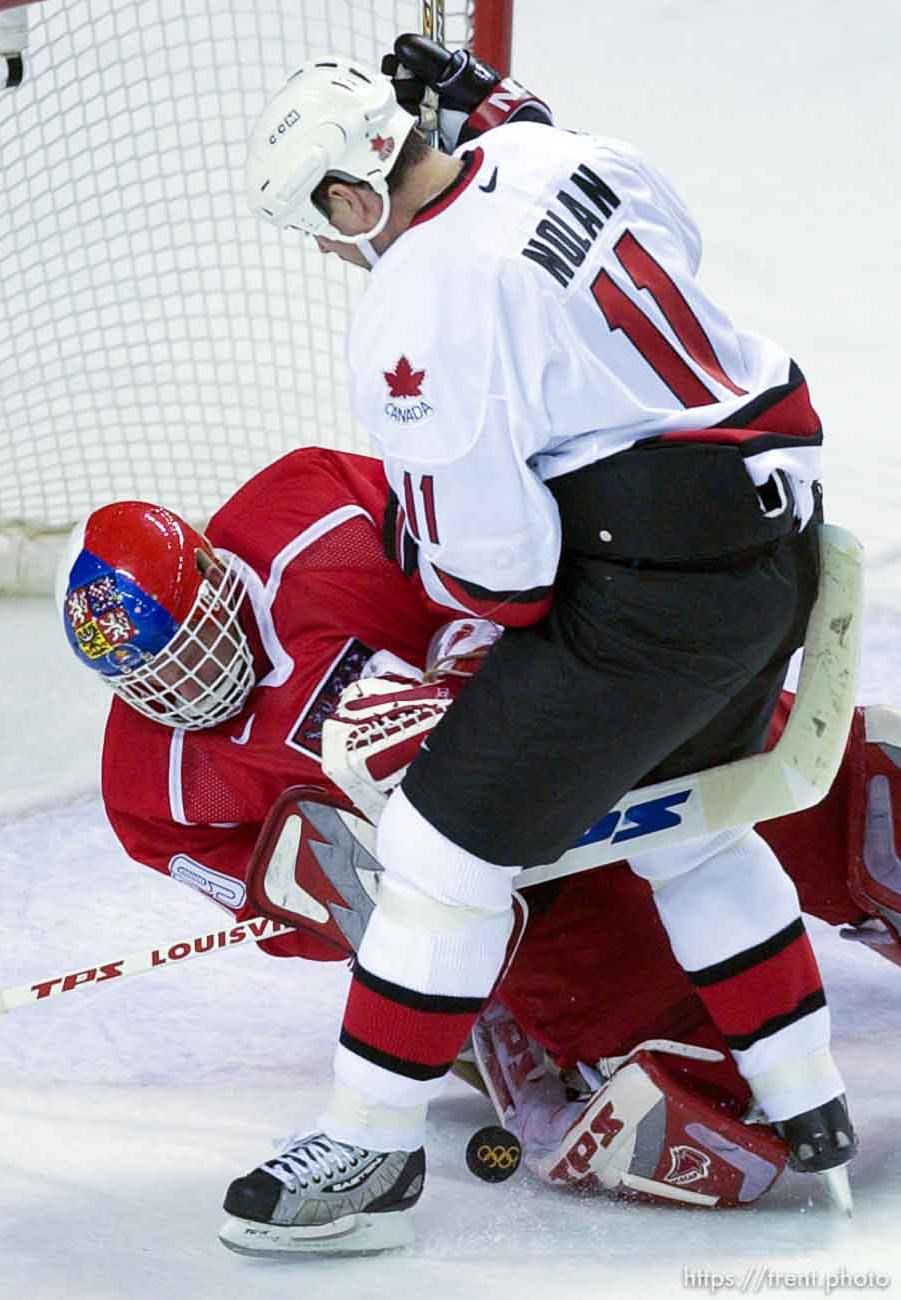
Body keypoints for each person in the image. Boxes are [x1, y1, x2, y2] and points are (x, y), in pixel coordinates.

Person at [236, 35, 859, 1247]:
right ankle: (810, 1103)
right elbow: (634, 216)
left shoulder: (412, 303)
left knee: (433, 851)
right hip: (779, 545)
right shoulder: (550, 149)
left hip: (663, 596)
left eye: (322, 224)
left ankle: (372, 1161)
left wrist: (453, 610)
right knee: (691, 818)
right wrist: (495, 110)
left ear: (357, 194)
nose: (328, 250)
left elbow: (500, 576)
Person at [57, 448, 898, 1247]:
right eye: (156, 680)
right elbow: (289, 910)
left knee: (799, 792)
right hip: (520, 901)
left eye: (199, 646)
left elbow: (491, 560)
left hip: (566, 730)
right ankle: (503, 1023)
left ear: (210, 570)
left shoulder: (309, 511)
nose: (193, 686)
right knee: (692, 1097)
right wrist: (338, 892)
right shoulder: (150, 792)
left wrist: (459, 688)